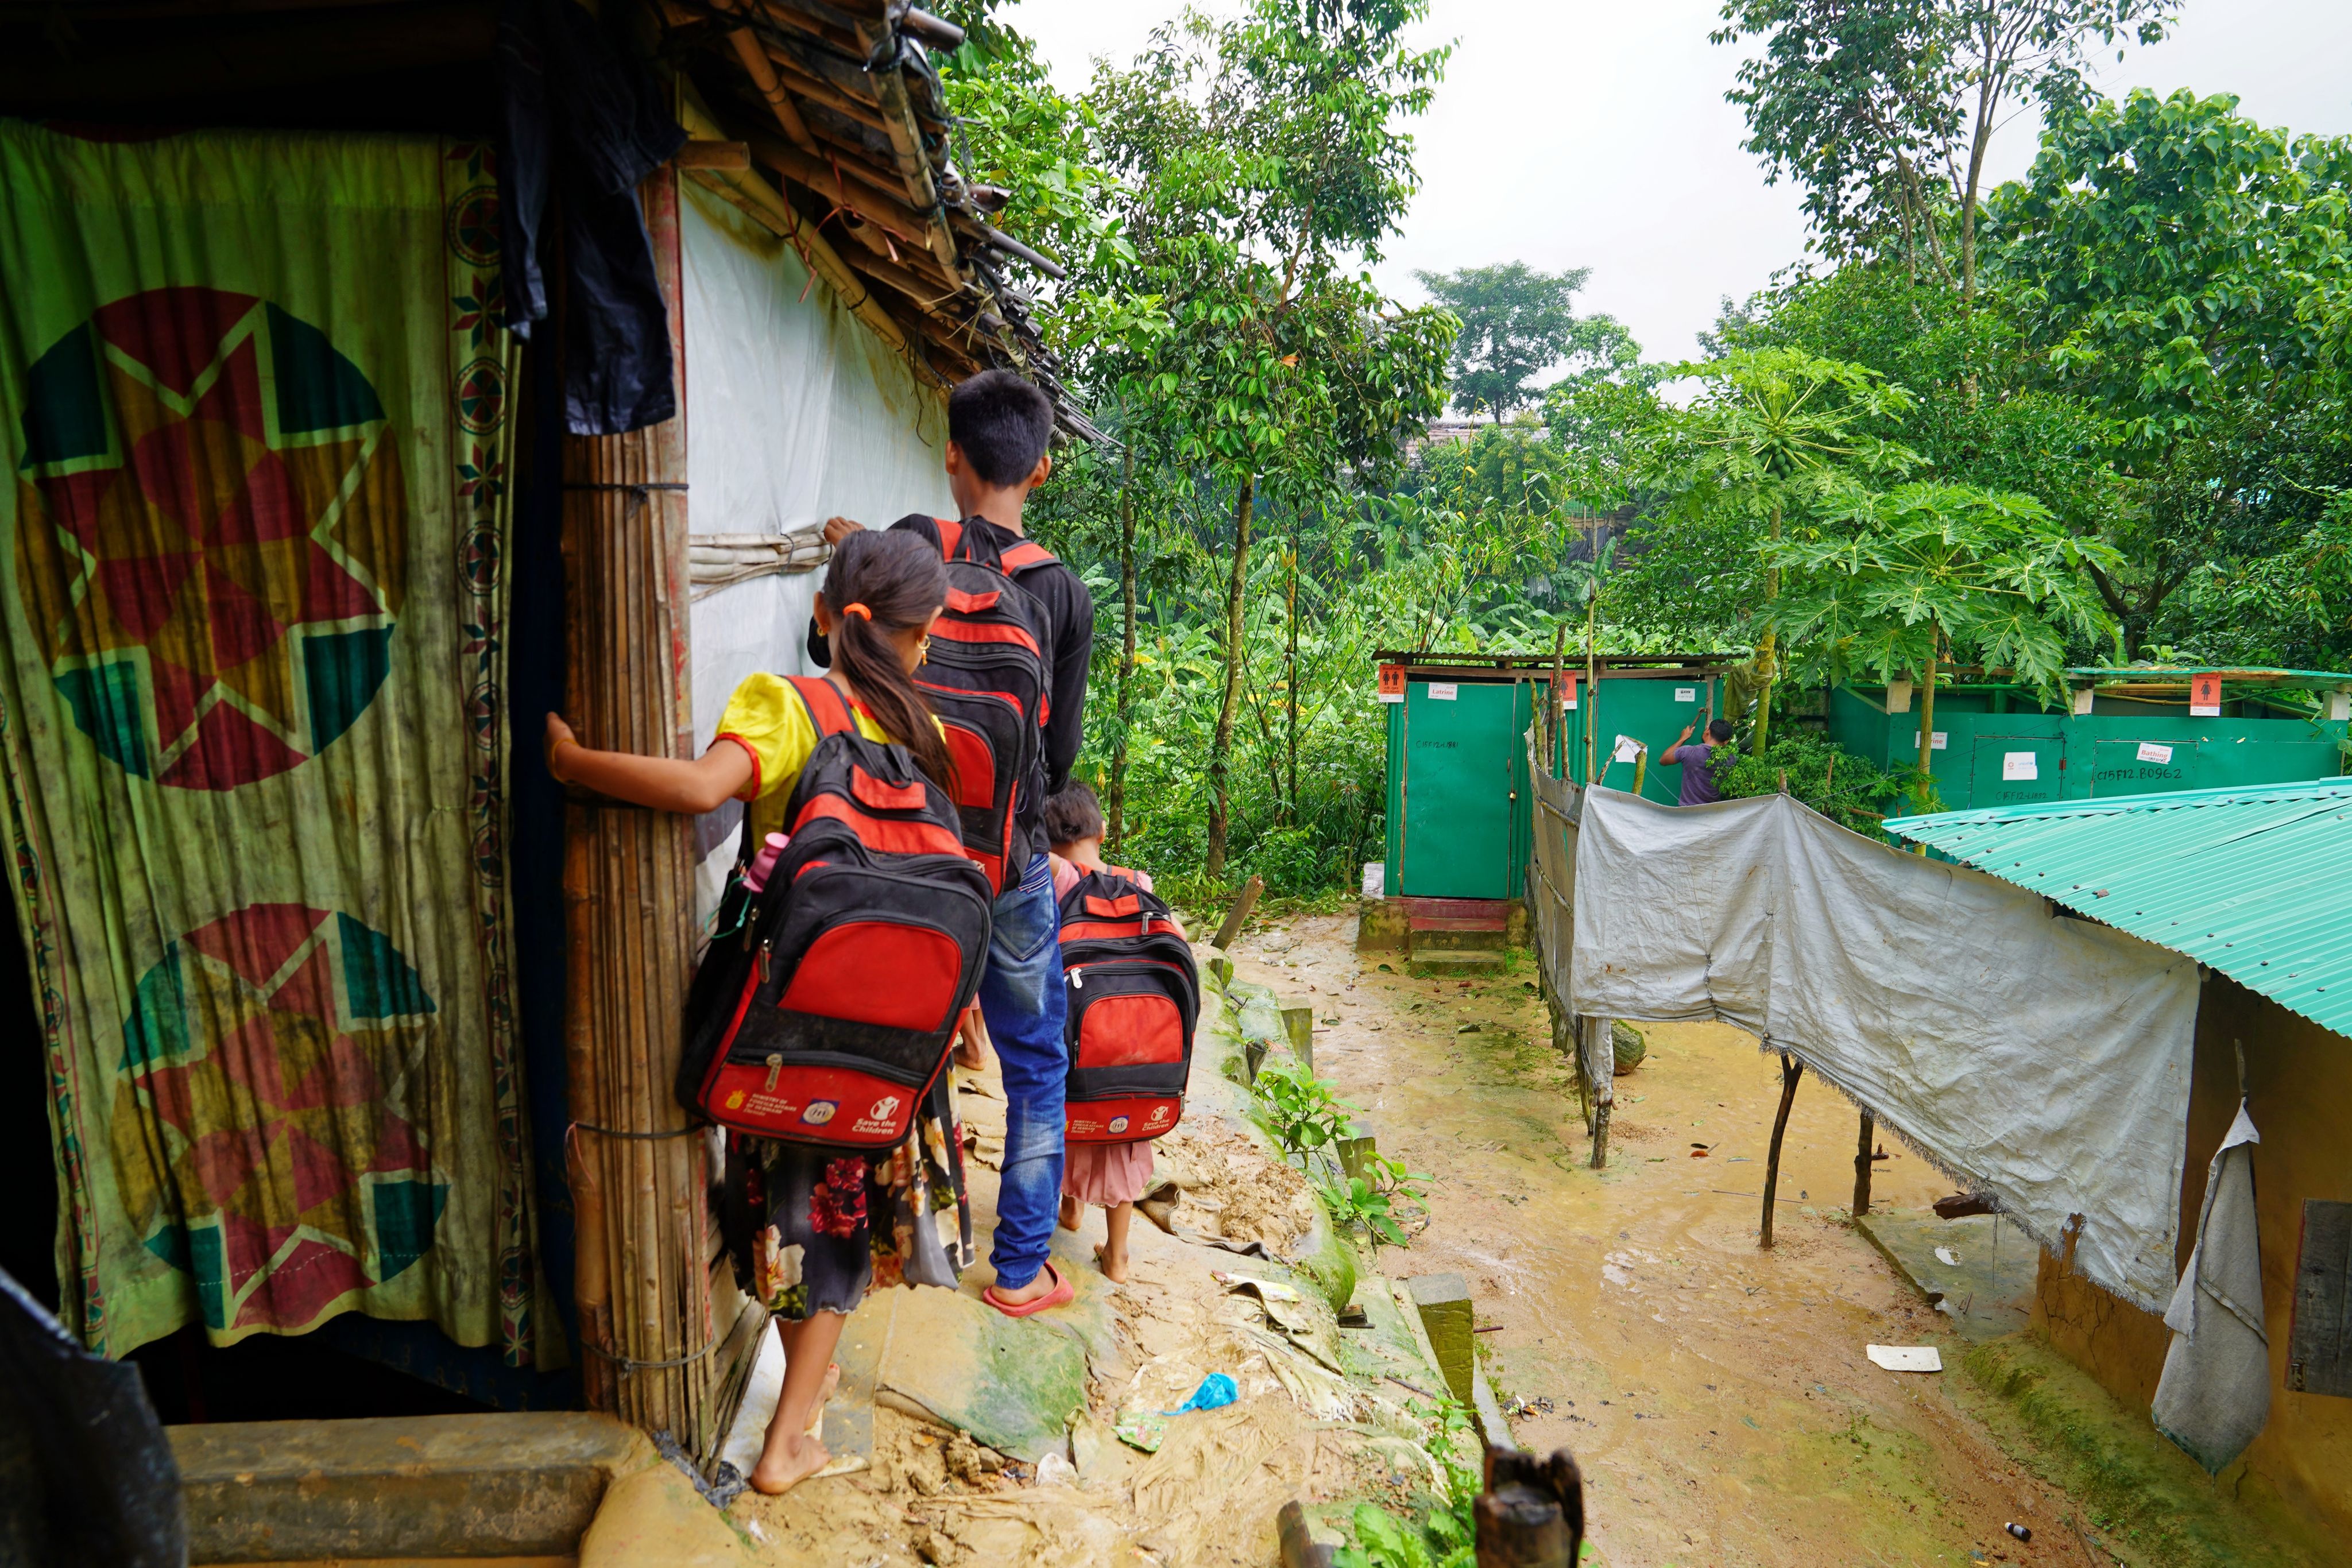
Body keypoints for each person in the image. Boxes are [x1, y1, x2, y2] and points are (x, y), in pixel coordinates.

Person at [541, 530, 965, 1497]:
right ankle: (792, 1432)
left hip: (789, 1025)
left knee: (791, 1218)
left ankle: (780, 1440)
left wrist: (571, 763)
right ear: (920, 634)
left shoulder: (791, 705)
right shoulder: (926, 735)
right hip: (895, 1034)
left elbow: (697, 790)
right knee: (840, 1225)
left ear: (827, 617)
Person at [821, 371, 1088, 1316]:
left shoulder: (908, 547)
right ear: (1042, 469)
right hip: (1006, 864)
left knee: (884, 1041)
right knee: (1038, 1063)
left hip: (898, 849)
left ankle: (868, 1253)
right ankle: (1018, 1271)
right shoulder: (1061, 591)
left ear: (950, 456)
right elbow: (1054, 762)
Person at [1041, 784, 1182, 1285]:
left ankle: (1069, 1210)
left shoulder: (1055, 879)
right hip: (1138, 1051)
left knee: (1068, 1122)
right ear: (1102, 832)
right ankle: (1118, 1256)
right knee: (1122, 1143)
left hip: (1080, 1049)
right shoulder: (1138, 880)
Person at [1658, 717, 1735, 806]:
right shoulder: (1731, 759)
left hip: (1688, 810)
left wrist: (1683, 738)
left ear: (1707, 732)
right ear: (1726, 742)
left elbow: (1663, 760)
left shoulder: (1689, 752)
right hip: (1713, 812)